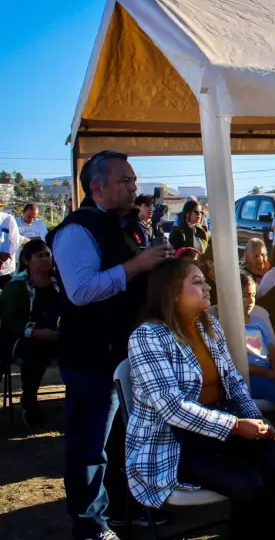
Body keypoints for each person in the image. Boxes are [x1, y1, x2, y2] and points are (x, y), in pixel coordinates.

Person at [47, 150, 174, 537]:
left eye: (134, 180)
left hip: (125, 351)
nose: (133, 187)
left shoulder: (125, 226)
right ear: (97, 187)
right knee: (91, 445)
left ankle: (122, 507)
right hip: (91, 356)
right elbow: (82, 291)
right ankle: (89, 525)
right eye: (124, 181)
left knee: (125, 437)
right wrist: (139, 265)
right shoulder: (76, 231)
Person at [126, 258, 275, 540]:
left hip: (220, 428)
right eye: (197, 281)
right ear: (172, 292)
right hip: (175, 442)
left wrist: (254, 418)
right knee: (248, 483)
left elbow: (233, 382)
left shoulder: (209, 327)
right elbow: (172, 408)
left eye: (204, 280)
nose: (207, 287)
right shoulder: (147, 337)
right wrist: (235, 425)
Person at [0, 239, 63, 427]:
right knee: (35, 352)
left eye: (47, 255)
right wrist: (35, 332)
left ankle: (79, 401)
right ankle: (29, 400)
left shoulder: (60, 282)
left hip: (58, 334)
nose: (45, 259)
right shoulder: (16, 286)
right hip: (26, 338)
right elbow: (10, 320)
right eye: (39, 255)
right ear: (27, 260)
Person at [240, 273, 275, 429]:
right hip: (250, 377)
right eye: (245, 296)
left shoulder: (258, 321)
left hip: (268, 371)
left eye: (253, 295)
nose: (251, 301)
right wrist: (265, 373)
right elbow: (237, 362)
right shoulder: (228, 325)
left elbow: (271, 347)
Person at [0, 209, 21, 288]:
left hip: (6, 268)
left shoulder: (8, 219)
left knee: (9, 295)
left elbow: (15, 241)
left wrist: (2, 260)